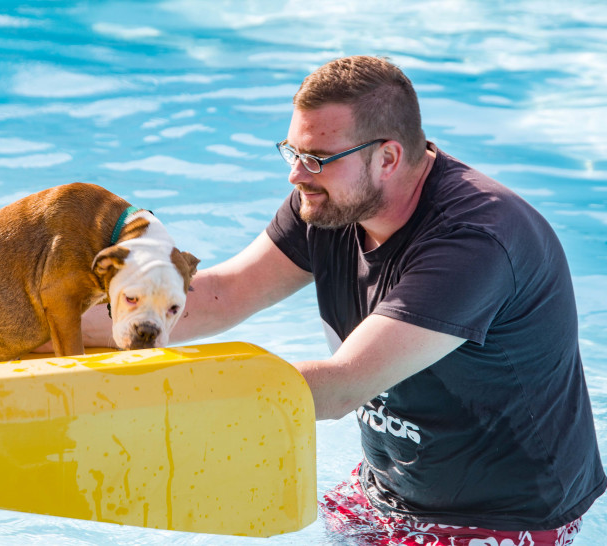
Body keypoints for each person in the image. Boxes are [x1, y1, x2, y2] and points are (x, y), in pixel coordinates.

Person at [80, 56, 605, 545]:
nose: (296, 174)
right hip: (383, 494)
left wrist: (137, 393)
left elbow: (338, 388)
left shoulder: (475, 241)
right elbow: (221, 295)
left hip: (503, 519)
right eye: (292, 152)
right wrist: (51, 335)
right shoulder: (328, 204)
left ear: (388, 158)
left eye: (317, 158)